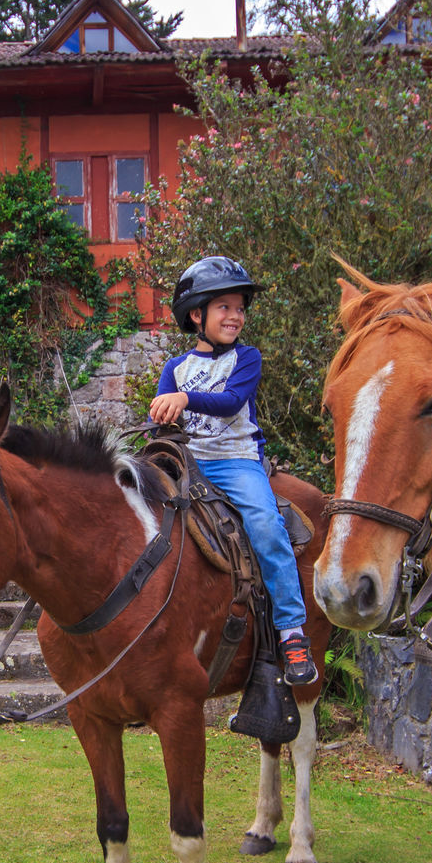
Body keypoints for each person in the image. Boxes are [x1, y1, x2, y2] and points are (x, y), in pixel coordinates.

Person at [149, 256, 318, 685]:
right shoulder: (175, 368)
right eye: (224, 307)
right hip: (186, 463)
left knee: (265, 525)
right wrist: (162, 418)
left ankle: (292, 632)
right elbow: (164, 418)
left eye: (239, 307)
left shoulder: (247, 359)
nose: (235, 315)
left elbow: (229, 403)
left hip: (235, 461)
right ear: (196, 314)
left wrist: (184, 400)